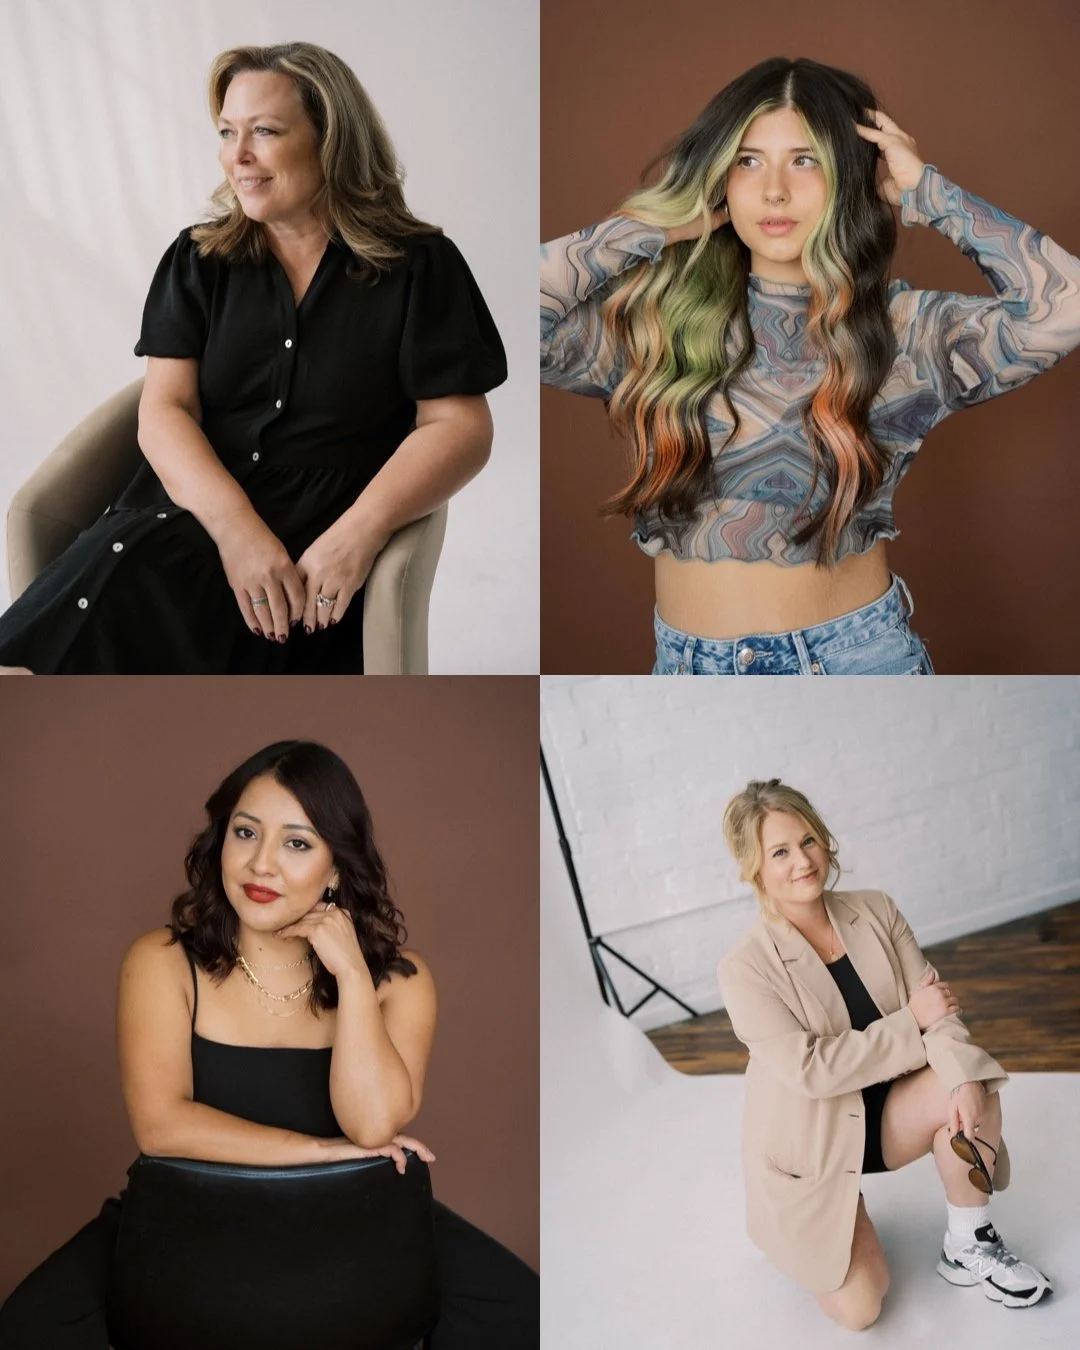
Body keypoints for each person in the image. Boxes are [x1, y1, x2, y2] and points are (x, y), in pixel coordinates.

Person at [540, 56, 1080, 675]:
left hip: (852, 662)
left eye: (806, 160)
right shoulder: (657, 325)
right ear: (719, 178)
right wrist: (654, 229)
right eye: (748, 160)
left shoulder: (908, 330)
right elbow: (497, 317)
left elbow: (1065, 306)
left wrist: (927, 192)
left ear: (849, 176)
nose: (775, 190)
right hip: (684, 669)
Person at [0, 741, 538, 1348]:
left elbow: (372, 1125)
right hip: (186, 1223)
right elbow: (159, 1127)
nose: (261, 865)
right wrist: (318, 1151)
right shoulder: (162, 961)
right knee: (28, 1326)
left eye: (298, 843)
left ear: (336, 867)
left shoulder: (399, 981)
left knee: (525, 1315)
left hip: (357, 1225)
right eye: (245, 832)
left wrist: (354, 977)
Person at [0, 42, 507, 675]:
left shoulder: (421, 267)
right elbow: (164, 409)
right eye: (227, 132)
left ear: (331, 141)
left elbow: (459, 427)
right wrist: (238, 535)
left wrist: (357, 536)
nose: (236, 157)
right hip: (180, 526)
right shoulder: (198, 260)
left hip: (313, 560)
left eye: (263, 132)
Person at [716, 778, 1051, 1329]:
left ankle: (969, 1246)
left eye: (807, 841)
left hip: (887, 1113)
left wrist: (960, 1077)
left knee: (970, 1076)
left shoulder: (875, 910)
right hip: (816, 1143)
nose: (802, 861)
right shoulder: (744, 968)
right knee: (860, 1310)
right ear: (754, 868)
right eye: (779, 852)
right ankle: (813, 1227)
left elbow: (937, 1010)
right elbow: (815, 1071)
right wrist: (911, 1021)